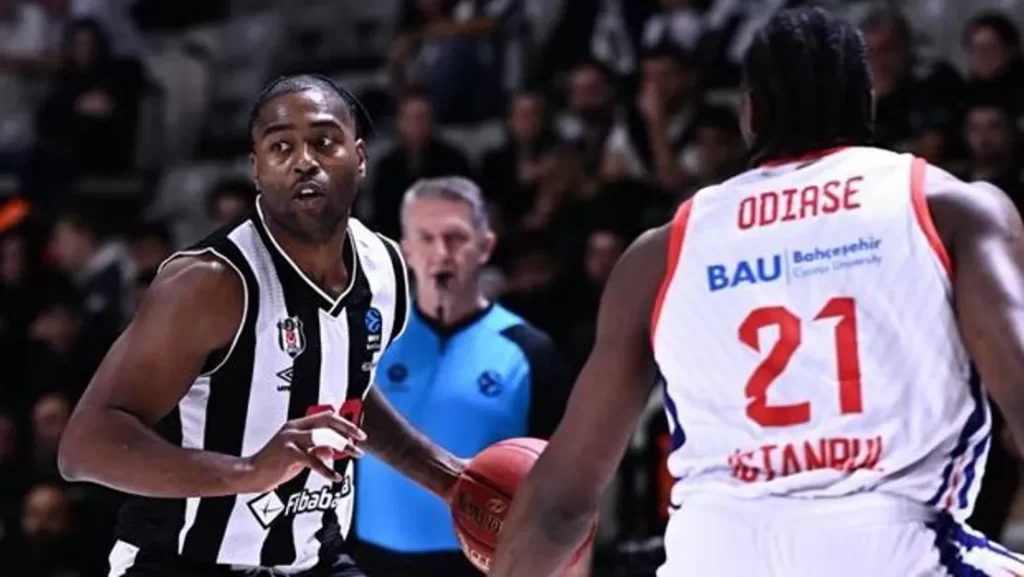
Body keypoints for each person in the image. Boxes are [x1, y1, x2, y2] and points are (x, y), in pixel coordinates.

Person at [490, 8, 1024, 577]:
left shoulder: (659, 253)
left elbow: (558, 506)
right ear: (867, 103)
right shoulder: (948, 208)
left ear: (750, 112)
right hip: (886, 545)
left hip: (711, 553)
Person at [56, 73, 467, 577]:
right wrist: (249, 472)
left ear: (359, 157)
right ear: (257, 169)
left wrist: (447, 478)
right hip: (180, 561)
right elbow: (84, 446)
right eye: (281, 147)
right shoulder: (210, 282)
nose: (304, 161)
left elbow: (343, 384)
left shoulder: (385, 269)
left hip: (311, 559)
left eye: (324, 142)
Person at [352, 177, 571, 577]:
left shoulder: (530, 351)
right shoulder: (368, 340)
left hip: (487, 562)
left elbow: (567, 488)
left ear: (485, 246)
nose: (442, 252)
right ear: (406, 250)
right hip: (367, 562)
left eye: (456, 237)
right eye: (427, 238)